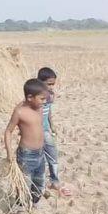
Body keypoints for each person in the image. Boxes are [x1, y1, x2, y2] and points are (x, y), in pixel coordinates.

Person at [4, 79, 47, 214]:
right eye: (41, 98)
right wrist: (9, 153)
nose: (44, 101)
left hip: (41, 153)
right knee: (23, 185)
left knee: (39, 183)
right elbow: (8, 131)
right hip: (27, 155)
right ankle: (21, 210)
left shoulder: (39, 108)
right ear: (29, 97)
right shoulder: (20, 111)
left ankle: (34, 204)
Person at [37, 67, 71, 197]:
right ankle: (39, 185)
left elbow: (49, 111)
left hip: (46, 130)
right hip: (36, 132)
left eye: (53, 84)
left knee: (53, 155)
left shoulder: (50, 96)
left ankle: (54, 181)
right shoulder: (36, 96)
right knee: (39, 159)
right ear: (40, 82)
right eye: (49, 84)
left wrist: (52, 125)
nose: (51, 87)